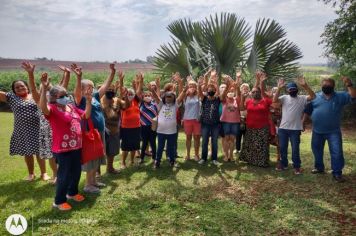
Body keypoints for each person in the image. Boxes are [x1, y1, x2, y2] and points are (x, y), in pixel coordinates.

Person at [39, 73, 91, 211]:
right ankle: (59, 201)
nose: (65, 97)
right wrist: (44, 89)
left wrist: (89, 100)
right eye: (61, 96)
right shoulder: (52, 109)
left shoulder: (71, 107)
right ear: (54, 98)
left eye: (66, 95)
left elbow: (86, 115)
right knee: (64, 174)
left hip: (76, 146)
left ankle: (72, 193)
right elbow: (43, 107)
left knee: (76, 171)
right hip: (62, 148)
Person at [306, 77, 356, 182]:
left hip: (333, 132)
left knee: (337, 152)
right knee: (317, 150)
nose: (326, 87)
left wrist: (349, 84)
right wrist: (303, 121)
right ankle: (319, 168)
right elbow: (308, 110)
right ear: (321, 86)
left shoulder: (340, 96)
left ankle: (337, 173)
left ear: (333, 87)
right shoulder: (315, 97)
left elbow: (353, 95)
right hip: (317, 131)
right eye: (324, 85)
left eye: (328, 86)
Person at [0, 75, 49, 181]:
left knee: (39, 152)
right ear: (13, 90)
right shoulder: (12, 97)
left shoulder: (35, 96)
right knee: (27, 152)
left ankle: (44, 173)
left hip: (38, 128)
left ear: (27, 86)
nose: (20, 88)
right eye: (16, 87)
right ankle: (31, 174)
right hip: (22, 129)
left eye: (22, 86)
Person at [74, 63, 114, 193]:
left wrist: (112, 72)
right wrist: (79, 78)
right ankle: (87, 185)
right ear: (82, 89)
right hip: (88, 133)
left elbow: (106, 86)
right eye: (88, 87)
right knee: (91, 157)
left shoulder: (95, 96)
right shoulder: (80, 99)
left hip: (98, 132)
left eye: (92, 87)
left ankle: (93, 181)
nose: (91, 89)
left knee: (97, 156)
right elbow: (77, 91)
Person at [273, 77, 316, 175]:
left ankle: (297, 166)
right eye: (290, 89)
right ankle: (284, 164)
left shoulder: (302, 98)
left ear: (297, 90)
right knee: (283, 147)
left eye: (294, 89)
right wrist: (279, 88)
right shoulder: (284, 98)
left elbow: (313, 96)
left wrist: (305, 86)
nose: (292, 90)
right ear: (287, 90)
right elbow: (274, 100)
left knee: (295, 148)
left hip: (295, 129)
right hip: (283, 128)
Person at [239, 72, 271, 167]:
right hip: (250, 127)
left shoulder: (265, 101)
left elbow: (272, 100)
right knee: (250, 144)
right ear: (251, 94)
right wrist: (242, 98)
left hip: (262, 128)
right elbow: (241, 108)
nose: (255, 93)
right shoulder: (249, 101)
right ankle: (251, 160)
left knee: (262, 145)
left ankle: (261, 162)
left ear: (260, 92)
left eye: (257, 92)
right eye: (253, 92)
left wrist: (261, 82)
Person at [100, 71, 129, 174]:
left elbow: (126, 106)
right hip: (101, 130)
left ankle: (110, 168)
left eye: (112, 90)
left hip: (114, 130)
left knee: (112, 151)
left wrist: (126, 96)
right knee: (100, 152)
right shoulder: (99, 100)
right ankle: (97, 173)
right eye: (108, 90)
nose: (111, 91)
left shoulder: (117, 100)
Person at [151, 87, 184, 168]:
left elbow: (180, 97)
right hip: (161, 131)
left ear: (173, 98)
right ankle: (157, 161)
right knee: (160, 147)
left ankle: (172, 161)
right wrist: (152, 90)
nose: (168, 98)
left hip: (172, 131)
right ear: (164, 98)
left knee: (171, 147)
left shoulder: (175, 105)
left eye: (170, 96)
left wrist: (184, 90)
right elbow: (156, 97)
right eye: (167, 96)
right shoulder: (161, 104)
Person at [198, 70, 221, 165]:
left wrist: (215, 83)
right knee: (204, 141)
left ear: (215, 91)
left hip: (215, 124)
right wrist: (200, 83)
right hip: (205, 124)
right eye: (209, 89)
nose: (211, 90)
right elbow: (200, 91)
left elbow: (218, 90)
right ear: (207, 90)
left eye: (213, 89)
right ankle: (203, 158)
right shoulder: (204, 98)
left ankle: (214, 159)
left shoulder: (217, 99)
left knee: (214, 142)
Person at [120, 73, 143, 168]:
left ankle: (132, 161)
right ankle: (123, 163)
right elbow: (122, 90)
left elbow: (138, 90)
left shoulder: (136, 101)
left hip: (136, 127)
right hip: (126, 128)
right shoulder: (123, 102)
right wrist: (121, 80)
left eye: (131, 94)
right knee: (125, 147)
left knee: (134, 146)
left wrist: (140, 81)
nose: (130, 95)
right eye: (128, 94)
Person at [220, 72, 241, 162]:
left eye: (233, 91)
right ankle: (226, 155)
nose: (231, 92)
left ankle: (231, 156)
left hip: (235, 122)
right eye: (230, 91)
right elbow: (223, 95)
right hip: (225, 122)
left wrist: (237, 79)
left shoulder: (237, 99)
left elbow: (238, 91)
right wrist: (228, 84)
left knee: (232, 139)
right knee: (225, 138)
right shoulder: (224, 99)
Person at [182, 79, 201, 161]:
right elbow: (181, 91)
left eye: (193, 86)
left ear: (196, 87)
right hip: (187, 119)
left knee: (197, 138)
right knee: (188, 137)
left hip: (197, 120)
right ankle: (188, 155)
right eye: (190, 86)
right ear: (188, 87)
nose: (192, 87)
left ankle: (196, 155)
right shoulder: (185, 97)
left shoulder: (199, 96)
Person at [139, 89, 158, 164]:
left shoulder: (154, 105)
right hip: (143, 127)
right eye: (145, 96)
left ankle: (154, 158)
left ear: (151, 96)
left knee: (153, 143)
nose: (147, 97)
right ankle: (141, 158)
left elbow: (157, 114)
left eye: (149, 95)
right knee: (144, 143)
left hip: (152, 126)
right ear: (143, 97)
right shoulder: (141, 104)